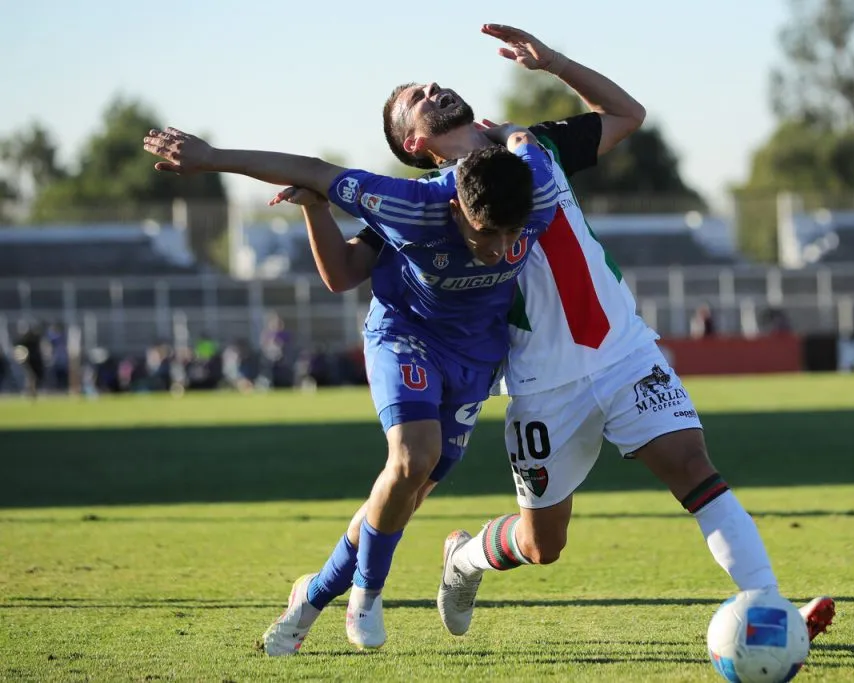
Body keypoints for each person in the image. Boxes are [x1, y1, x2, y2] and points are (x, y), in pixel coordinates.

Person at [278, 23, 835, 644]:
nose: (434, 88)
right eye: (417, 97)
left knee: (690, 464)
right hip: (542, 380)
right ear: (415, 143)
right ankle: (464, 560)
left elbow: (628, 115)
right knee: (543, 544)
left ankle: (768, 605)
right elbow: (345, 272)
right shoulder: (423, 206)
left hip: (623, 348)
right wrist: (314, 205)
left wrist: (555, 64)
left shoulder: (535, 144)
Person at [144, 115, 558, 654]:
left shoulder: (536, 189)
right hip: (406, 335)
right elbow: (315, 170)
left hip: (476, 355)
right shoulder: (411, 204)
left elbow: (525, 141)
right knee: (412, 459)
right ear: (456, 207)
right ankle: (367, 593)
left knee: (404, 494)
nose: (503, 248)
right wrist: (211, 158)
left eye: (513, 233)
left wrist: (511, 133)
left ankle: (312, 596)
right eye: (488, 233)